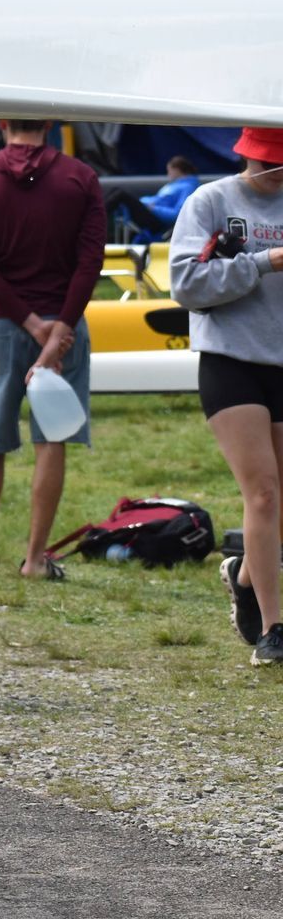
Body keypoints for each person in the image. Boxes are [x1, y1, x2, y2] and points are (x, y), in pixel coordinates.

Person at [0, 119, 105, 580]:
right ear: (52, 123)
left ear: (2, 123)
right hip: (65, 323)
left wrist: (30, 323)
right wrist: (58, 329)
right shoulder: (81, 178)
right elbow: (90, 259)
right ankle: (36, 559)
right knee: (51, 438)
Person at [169, 127, 283, 664]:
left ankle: (242, 576)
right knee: (261, 494)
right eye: (265, 162)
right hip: (230, 362)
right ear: (244, 153)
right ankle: (274, 629)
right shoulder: (210, 200)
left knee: (280, 500)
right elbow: (186, 286)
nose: (271, 173)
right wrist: (262, 263)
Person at [109, 155, 201, 242]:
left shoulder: (188, 187)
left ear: (177, 170)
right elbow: (158, 199)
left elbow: (178, 214)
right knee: (116, 192)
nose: (168, 174)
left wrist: (154, 208)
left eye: (169, 171)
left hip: (158, 222)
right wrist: (145, 201)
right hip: (152, 213)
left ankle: (98, 216)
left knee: (120, 194)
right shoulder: (174, 185)